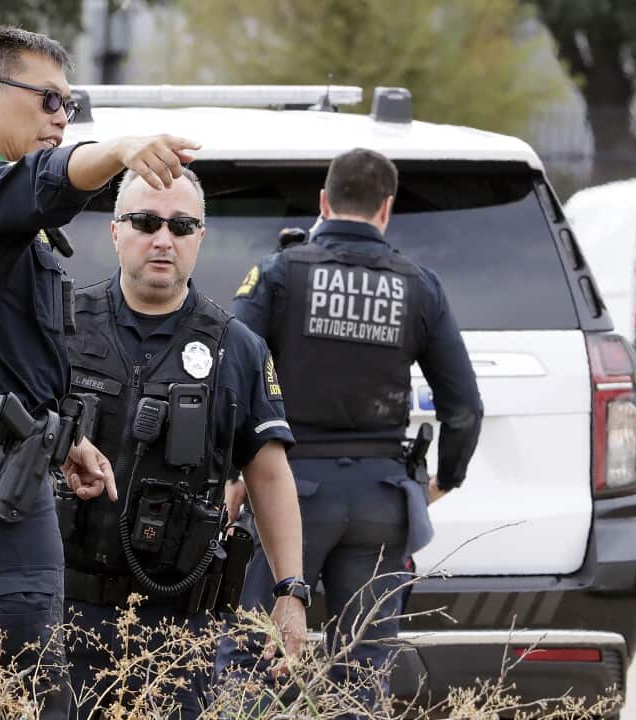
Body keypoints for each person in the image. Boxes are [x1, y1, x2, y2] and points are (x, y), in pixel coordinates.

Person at [0, 25, 201, 719]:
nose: (62, 118)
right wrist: (117, 151)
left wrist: (65, 441)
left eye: (71, 105)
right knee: (29, 700)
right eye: (50, 100)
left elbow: (3, 352)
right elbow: (46, 183)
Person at [217, 147, 484, 708]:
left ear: (322, 201)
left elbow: (229, 367)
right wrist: (442, 483)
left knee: (253, 658)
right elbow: (464, 407)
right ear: (386, 209)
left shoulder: (279, 272)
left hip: (288, 492)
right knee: (363, 674)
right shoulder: (419, 286)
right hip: (380, 503)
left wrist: (233, 469)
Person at [59, 167, 307, 719]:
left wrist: (291, 589)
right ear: (115, 231)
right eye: (145, 221)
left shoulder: (236, 348)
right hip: (59, 612)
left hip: (176, 631)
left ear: (201, 237)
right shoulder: (61, 325)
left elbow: (268, 473)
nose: (163, 239)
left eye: (181, 225)